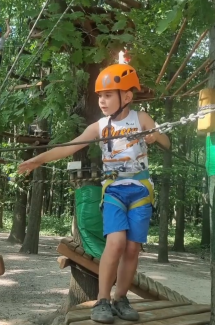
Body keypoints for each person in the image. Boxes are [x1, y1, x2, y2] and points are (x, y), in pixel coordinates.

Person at [17, 64, 170, 324]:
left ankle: (120, 298)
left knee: (132, 249)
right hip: (113, 191)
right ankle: (102, 300)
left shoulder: (141, 118)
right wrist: (38, 160)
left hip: (141, 190)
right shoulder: (100, 126)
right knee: (116, 243)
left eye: (108, 95)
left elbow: (167, 142)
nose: (102, 100)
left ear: (127, 97)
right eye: (100, 96)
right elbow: (69, 147)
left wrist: (155, 136)